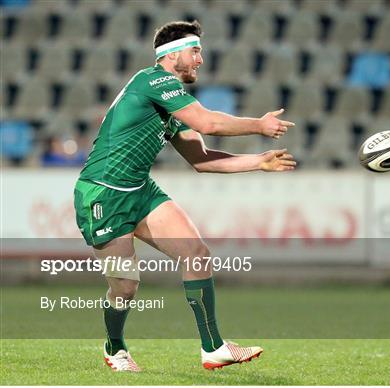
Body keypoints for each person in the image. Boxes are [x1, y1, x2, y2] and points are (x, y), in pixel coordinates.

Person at [73, 20, 296, 372]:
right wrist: (258, 124)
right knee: (125, 288)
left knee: (195, 252)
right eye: (195, 51)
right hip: (104, 193)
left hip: (139, 190)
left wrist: (259, 161)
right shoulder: (153, 81)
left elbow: (202, 159)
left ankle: (213, 348)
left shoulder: (168, 103)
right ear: (171, 54)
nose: (200, 60)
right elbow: (209, 123)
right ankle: (114, 347)